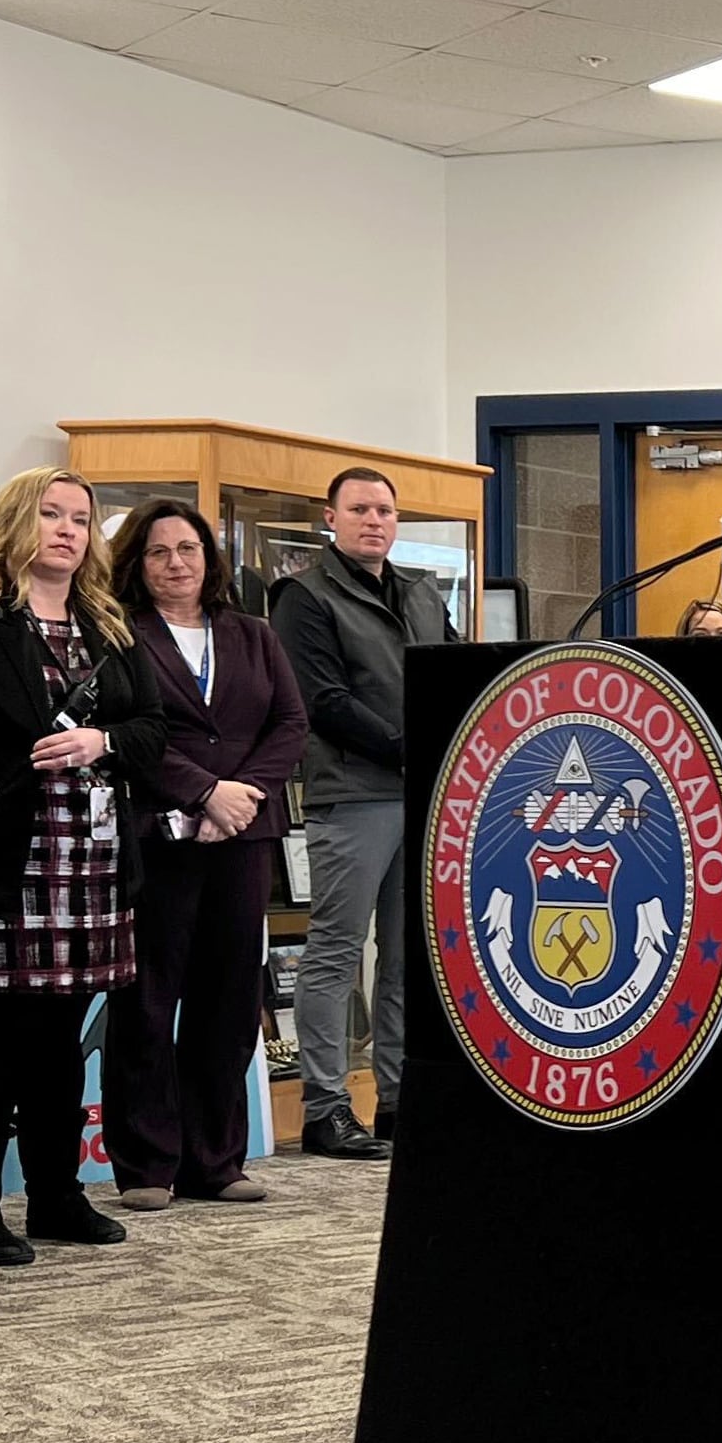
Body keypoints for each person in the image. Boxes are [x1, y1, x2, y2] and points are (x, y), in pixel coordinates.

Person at [0, 468, 165, 1264]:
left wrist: (104, 742)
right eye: (51, 514)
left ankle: (57, 1197)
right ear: (17, 524)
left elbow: (152, 729)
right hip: (1, 851)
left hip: (91, 857)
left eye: (81, 519)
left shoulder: (108, 625)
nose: (67, 530)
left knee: (64, 1035)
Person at [108, 499, 309, 1210]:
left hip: (243, 837)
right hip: (159, 837)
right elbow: (130, 732)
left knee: (229, 1000)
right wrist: (202, 793)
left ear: (209, 557)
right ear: (137, 563)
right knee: (150, 998)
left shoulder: (253, 635)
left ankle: (216, 1161)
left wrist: (242, 795)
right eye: (159, 552)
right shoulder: (121, 637)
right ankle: (146, 1165)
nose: (175, 563)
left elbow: (289, 721)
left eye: (188, 549)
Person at [270, 467, 454, 1157]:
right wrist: (412, 748)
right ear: (331, 516)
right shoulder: (304, 594)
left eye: (384, 509)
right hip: (352, 791)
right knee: (337, 954)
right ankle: (323, 1108)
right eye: (359, 509)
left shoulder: (421, 591)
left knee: (408, 958)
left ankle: (400, 1101)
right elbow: (321, 699)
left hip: (422, 793)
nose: (373, 520)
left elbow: (455, 672)